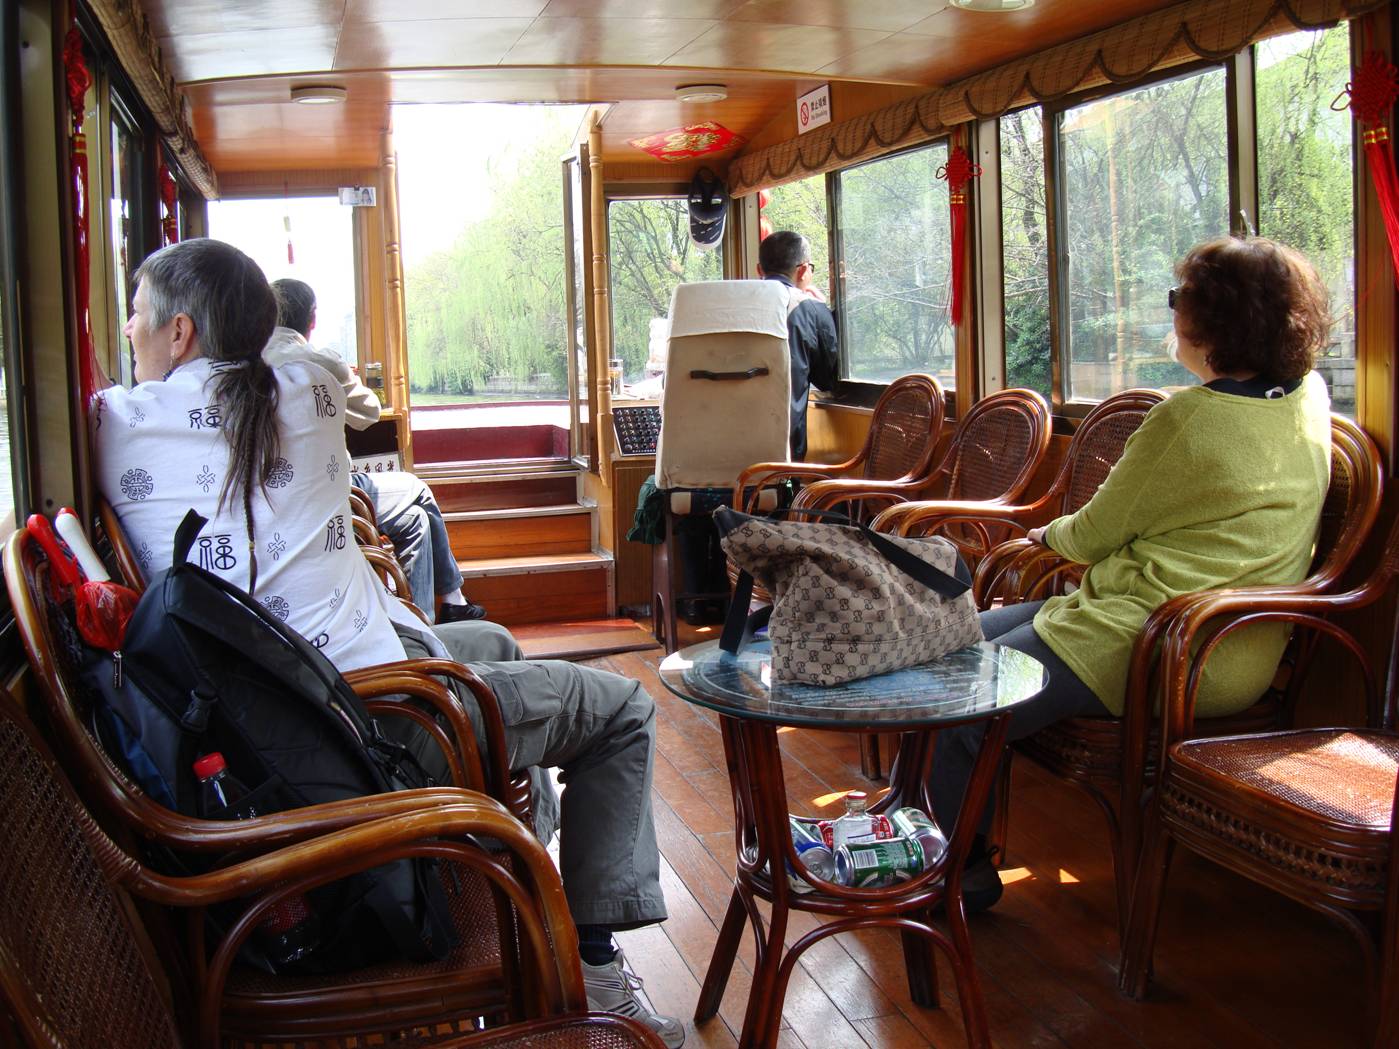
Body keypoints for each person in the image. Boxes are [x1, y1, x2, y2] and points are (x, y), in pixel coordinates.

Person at [93, 239, 685, 1048]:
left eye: (136, 314)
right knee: (622, 708)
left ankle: (523, 872)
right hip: (371, 731)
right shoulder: (307, 386)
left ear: (181, 333)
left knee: (494, 642)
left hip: (297, 718)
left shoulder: (118, 425)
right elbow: (284, 345)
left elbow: (140, 382)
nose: (129, 330)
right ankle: (592, 963)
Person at [932, 235, 1333, 911]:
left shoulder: (1191, 417)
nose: (1171, 313)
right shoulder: (1306, 396)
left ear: (1209, 323)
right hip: (1225, 643)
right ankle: (915, 834)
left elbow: (1090, 536)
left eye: (1179, 300)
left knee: (952, 695)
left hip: (1155, 643)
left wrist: (1041, 533)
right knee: (951, 641)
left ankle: (949, 875)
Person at [264, 277, 487, 624]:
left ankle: (423, 621)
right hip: (335, 494)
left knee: (416, 522)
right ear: (312, 320)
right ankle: (442, 609)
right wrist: (348, 380)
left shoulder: (249, 363)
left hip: (276, 501)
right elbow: (368, 412)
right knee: (418, 490)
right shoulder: (319, 362)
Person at [756, 231, 838, 462]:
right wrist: (823, 312)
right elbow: (827, 379)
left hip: (714, 453)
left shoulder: (728, 307)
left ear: (759, 270)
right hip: (783, 456)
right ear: (803, 270)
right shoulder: (810, 309)